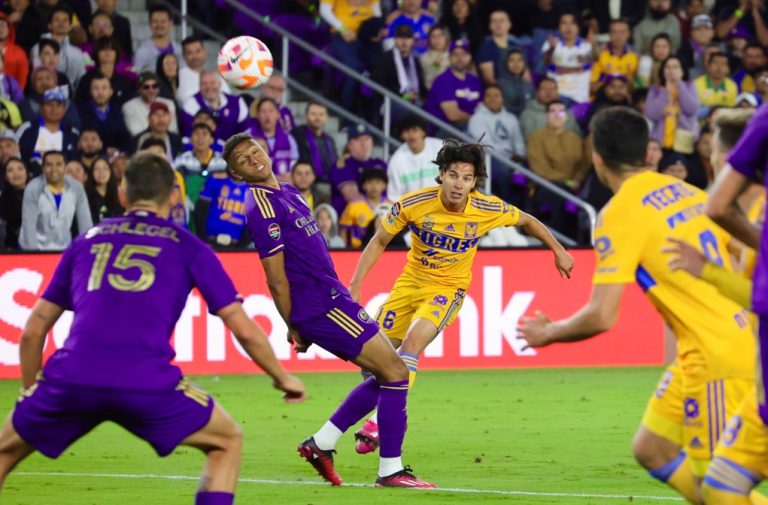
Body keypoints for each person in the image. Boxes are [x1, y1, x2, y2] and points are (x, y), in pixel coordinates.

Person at [0, 151, 306, 504]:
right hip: (146, 382)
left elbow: (33, 330)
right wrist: (281, 376)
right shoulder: (189, 246)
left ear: (123, 193)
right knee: (227, 440)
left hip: (72, 377)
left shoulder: (86, 240)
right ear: (174, 196)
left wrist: (31, 395)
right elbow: (243, 327)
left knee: (5, 452)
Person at [517, 106, 758, 503]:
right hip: (710, 346)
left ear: (596, 157)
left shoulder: (618, 213)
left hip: (717, 357)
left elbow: (602, 315)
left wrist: (549, 332)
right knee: (652, 447)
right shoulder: (689, 191)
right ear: (648, 153)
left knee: (722, 492)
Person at [223, 132, 434, 488]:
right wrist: (293, 324)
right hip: (320, 305)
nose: (253, 158)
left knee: (388, 373)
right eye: (243, 160)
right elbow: (275, 279)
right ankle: (390, 471)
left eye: (254, 151)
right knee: (396, 372)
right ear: (238, 175)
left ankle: (321, 444)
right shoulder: (260, 206)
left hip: (333, 298)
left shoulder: (288, 191)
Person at [347, 138, 574, 454]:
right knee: (370, 361)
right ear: (441, 174)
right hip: (409, 285)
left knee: (412, 346)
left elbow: (526, 220)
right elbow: (379, 241)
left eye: (467, 178)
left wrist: (558, 249)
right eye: (454, 175)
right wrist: (356, 284)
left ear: (474, 182)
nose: (459, 184)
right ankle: (399, 412)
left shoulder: (486, 207)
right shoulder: (414, 203)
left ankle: (378, 421)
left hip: (447, 290)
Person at [319, 0, 382, 117]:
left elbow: (376, 10)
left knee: (379, 71)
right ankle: (346, 114)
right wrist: (342, 29)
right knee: (351, 72)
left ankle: (375, 115)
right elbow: (324, 10)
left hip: (366, 33)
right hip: (343, 34)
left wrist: (376, 29)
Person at [19, 150, 92, 251]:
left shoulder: (76, 187)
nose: (54, 169)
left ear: (65, 167)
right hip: (36, 248)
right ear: (43, 168)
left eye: (58, 164)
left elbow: (85, 222)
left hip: (64, 248)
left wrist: (87, 249)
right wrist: (33, 255)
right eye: (49, 165)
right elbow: (29, 225)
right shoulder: (33, 188)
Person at [17, 88, 80, 175]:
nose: (54, 109)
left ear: (64, 110)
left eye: (58, 105)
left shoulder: (72, 133)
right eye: (49, 105)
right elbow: (16, 154)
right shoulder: (27, 129)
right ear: (41, 108)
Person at [423, 37, 482, 133]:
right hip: (444, 130)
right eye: (455, 54)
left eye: (463, 54)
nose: (460, 58)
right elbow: (453, 115)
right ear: (449, 58)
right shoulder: (443, 80)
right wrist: (479, 121)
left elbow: (481, 108)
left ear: (470, 57)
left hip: (469, 127)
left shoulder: (475, 81)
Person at [645, 56, 700, 155]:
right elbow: (651, 114)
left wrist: (680, 86)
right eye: (668, 67)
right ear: (663, 71)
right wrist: (666, 91)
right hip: (659, 144)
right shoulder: (655, 89)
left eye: (675, 67)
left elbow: (691, 109)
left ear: (682, 71)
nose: (671, 71)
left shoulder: (689, 86)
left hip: (683, 143)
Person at [330, 124, 386, 216]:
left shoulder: (380, 164)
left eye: (367, 139)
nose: (363, 143)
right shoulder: (342, 165)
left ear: (372, 143)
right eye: (357, 140)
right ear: (349, 145)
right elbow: (353, 197)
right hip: (350, 221)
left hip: (381, 219)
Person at [386, 114, 442, 202]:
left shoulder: (440, 148)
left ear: (423, 132)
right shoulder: (396, 161)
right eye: (407, 131)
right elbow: (394, 197)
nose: (411, 134)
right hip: (413, 212)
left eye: (415, 130)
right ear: (401, 135)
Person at [181, 71, 248, 142]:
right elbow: (188, 134)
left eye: (212, 83)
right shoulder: (191, 103)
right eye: (204, 84)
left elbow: (247, 131)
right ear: (199, 86)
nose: (209, 87)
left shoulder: (237, 102)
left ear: (220, 84)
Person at [174, 123, 227, 213]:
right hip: (188, 206)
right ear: (190, 139)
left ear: (211, 140)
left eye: (204, 134)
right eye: (196, 134)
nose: (200, 138)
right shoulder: (181, 161)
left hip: (216, 207)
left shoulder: (222, 162)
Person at [542, 12, 593, 105]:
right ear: (558, 27)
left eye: (572, 23)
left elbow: (591, 63)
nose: (568, 27)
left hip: (580, 98)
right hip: (557, 96)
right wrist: (552, 49)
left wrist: (594, 45)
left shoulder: (587, 46)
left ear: (578, 27)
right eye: (564, 23)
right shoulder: (551, 44)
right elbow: (546, 62)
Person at [193, 165, 249, 249]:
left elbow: (254, 222)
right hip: (210, 242)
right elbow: (200, 211)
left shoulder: (253, 189)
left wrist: (241, 245)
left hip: (237, 247)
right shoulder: (216, 179)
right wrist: (203, 239)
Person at [30, 6, 86, 88]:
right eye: (57, 20)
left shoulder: (77, 53)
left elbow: (81, 80)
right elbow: (38, 74)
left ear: (70, 26)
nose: (61, 23)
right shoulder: (38, 48)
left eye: (65, 20)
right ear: (49, 25)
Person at [248, 97, 299, 183]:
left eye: (271, 111)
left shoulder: (289, 138)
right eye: (263, 111)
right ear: (258, 115)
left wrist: (291, 175)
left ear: (278, 115)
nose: (267, 115)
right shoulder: (248, 137)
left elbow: (294, 164)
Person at [77, 73, 130, 155]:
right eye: (96, 88)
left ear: (111, 92)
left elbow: (125, 137)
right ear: (90, 92)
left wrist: (118, 151)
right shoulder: (81, 112)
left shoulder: (117, 110)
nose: (100, 93)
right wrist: (104, 151)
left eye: (104, 88)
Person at [339, 167, 390, 249]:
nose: (374, 186)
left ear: (384, 185)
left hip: (387, 250)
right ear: (363, 185)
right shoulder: (353, 205)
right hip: (358, 250)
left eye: (378, 182)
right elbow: (344, 231)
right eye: (369, 182)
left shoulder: (391, 206)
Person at [475, 9, 527, 86]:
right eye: (494, 21)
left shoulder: (516, 46)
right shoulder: (486, 47)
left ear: (509, 24)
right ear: (490, 26)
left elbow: (525, 73)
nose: (498, 24)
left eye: (501, 21)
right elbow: (489, 79)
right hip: (498, 90)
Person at [291, 101, 337, 183]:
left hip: (330, 182)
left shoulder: (330, 140)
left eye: (321, 114)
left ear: (326, 117)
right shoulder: (297, 135)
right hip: (307, 183)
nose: (317, 118)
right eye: (313, 114)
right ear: (306, 116)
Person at [122, 72, 179, 137]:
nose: (151, 90)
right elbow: (136, 132)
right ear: (139, 90)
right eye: (146, 87)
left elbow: (173, 130)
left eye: (154, 86)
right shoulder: (129, 107)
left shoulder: (169, 103)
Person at [590, 18, 637, 94]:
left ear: (628, 34)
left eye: (622, 32)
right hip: (604, 98)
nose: (618, 36)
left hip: (625, 98)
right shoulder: (599, 56)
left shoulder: (634, 58)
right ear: (609, 34)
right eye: (614, 32)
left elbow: (639, 84)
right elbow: (592, 87)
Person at [177, 35, 230, 103]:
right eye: (189, 53)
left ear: (205, 52)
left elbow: (227, 97)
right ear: (184, 56)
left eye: (198, 51)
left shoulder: (215, 76)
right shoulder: (178, 76)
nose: (195, 56)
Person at [133, 5, 182, 73]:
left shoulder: (179, 50)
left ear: (171, 23)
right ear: (149, 24)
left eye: (163, 21)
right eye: (155, 21)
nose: (159, 25)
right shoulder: (142, 52)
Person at [678, 14, 718, 81]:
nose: (702, 32)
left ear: (713, 32)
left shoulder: (719, 48)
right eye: (698, 29)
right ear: (691, 32)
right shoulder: (682, 51)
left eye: (706, 28)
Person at [496, 48, 534, 117]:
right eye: (511, 60)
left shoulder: (528, 85)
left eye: (520, 60)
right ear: (505, 63)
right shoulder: (499, 85)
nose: (516, 64)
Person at [0, 157, 28, 249]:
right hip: (12, 250)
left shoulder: (41, 195)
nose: (16, 173)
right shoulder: (2, 201)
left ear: (26, 172)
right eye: (10, 170)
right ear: (5, 176)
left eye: (20, 168)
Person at [84, 155, 122, 224]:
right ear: (91, 173)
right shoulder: (85, 197)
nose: (101, 172)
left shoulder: (118, 196)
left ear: (110, 171)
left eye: (105, 168)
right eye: (97, 169)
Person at [0, 13, 29, 89]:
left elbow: (22, 79)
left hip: (10, 97)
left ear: (9, 29)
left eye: (3, 25)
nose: (1, 28)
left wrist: (16, 97)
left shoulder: (19, 52)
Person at [418, 24, 449, 90]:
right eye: (433, 36)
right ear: (429, 39)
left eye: (440, 36)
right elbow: (429, 83)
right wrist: (436, 65)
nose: (437, 39)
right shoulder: (424, 58)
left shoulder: (453, 55)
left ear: (446, 38)